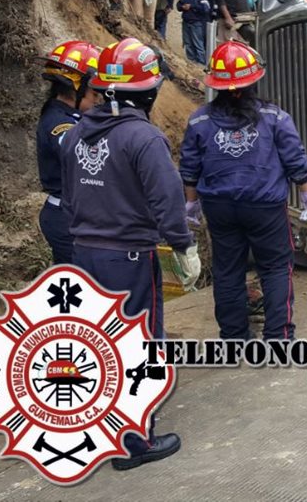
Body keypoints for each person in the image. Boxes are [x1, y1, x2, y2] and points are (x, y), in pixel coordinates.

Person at [60, 36, 200, 470]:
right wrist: (183, 246)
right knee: (139, 347)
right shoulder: (143, 139)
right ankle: (134, 443)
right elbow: (168, 202)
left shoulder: (74, 135)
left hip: (84, 254)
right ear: (150, 92)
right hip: (129, 260)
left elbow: (69, 197)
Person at [179, 41, 307, 340]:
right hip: (264, 206)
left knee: (228, 270)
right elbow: (294, 158)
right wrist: (305, 189)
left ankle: (233, 337)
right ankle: (278, 336)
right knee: (277, 267)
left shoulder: (200, 120)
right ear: (254, 80)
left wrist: (191, 203)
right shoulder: (275, 117)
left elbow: (189, 167)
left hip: (219, 207)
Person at [35, 40, 100, 265]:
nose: (97, 99)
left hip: (73, 213)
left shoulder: (72, 117)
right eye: (94, 92)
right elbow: (83, 155)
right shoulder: (60, 123)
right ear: (77, 88)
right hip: (66, 217)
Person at [178, 0, 212, 65]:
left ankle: (201, 64)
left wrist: (192, 6)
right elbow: (178, 5)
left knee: (198, 44)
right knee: (188, 43)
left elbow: (206, 8)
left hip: (197, 23)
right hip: (186, 22)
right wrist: (182, 7)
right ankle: (191, 63)